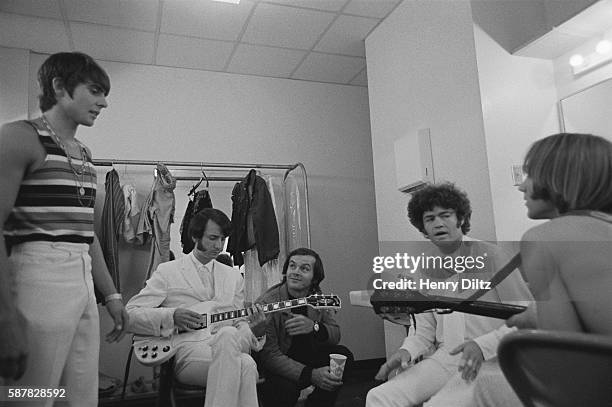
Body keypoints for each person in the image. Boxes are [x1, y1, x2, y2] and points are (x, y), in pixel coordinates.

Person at [0, 52, 128, 405]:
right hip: (37, 274)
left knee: (81, 394)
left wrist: (112, 295)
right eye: (95, 90)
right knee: (30, 394)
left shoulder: (84, 154)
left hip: (81, 278)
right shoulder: (20, 137)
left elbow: (86, 235)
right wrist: (5, 319)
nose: (103, 102)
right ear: (59, 87)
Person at [473, 132, 612, 407]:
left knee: (486, 383)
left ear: (559, 179)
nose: (521, 187)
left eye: (530, 175)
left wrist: (535, 322)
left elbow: (565, 356)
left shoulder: (542, 238)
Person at [366, 182, 532, 407]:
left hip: (494, 358)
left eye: (445, 215)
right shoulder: (422, 268)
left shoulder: (494, 257)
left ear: (461, 219)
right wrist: (406, 351)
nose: (438, 223)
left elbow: (525, 320)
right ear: (423, 228)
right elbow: (423, 330)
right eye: (430, 218)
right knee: (378, 397)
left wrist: (482, 346)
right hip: (449, 357)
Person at [125, 208, 267, 407]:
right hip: (189, 350)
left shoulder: (233, 276)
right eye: (212, 238)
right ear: (194, 236)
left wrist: (255, 330)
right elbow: (130, 314)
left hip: (229, 344)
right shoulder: (168, 272)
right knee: (247, 364)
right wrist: (172, 316)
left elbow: (239, 322)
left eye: (223, 239)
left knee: (231, 339)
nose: (219, 246)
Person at [256, 247, 353, 407]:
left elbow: (335, 334)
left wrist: (314, 327)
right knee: (285, 389)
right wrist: (311, 375)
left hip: (308, 356)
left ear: (314, 278)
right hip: (279, 364)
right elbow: (270, 357)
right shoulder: (267, 303)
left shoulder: (317, 297)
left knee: (343, 356)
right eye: (292, 266)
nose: (295, 272)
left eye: (304, 269)